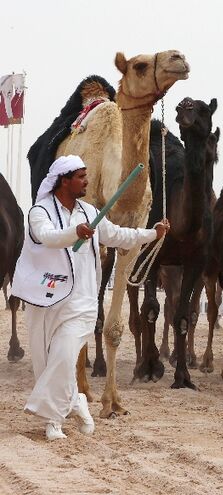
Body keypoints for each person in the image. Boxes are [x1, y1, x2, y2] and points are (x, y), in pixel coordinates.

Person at [11, 155, 169, 441]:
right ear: (64, 181)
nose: (87, 181)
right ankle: (76, 402)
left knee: (63, 356)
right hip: (45, 299)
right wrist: (75, 233)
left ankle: (53, 420)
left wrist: (152, 234)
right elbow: (48, 237)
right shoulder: (39, 212)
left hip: (81, 302)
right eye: (81, 176)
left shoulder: (89, 212)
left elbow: (118, 235)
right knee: (47, 363)